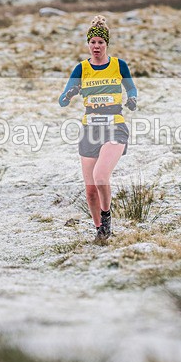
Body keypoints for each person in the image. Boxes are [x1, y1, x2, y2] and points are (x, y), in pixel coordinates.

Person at [59, 15, 138, 241]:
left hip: (115, 126)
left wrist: (132, 100)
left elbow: (131, 90)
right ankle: (100, 232)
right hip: (89, 130)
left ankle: (106, 218)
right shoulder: (81, 69)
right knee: (91, 190)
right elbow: (62, 101)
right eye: (92, 42)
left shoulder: (118, 65)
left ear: (106, 44)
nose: (96, 46)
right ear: (88, 44)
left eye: (100, 42)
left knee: (101, 175)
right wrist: (70, 93)